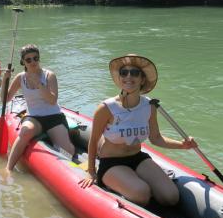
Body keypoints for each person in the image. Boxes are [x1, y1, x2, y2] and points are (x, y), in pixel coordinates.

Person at [79, 54, 198, 207]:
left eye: (134, 73)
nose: (129, 76)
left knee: (171, 196)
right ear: (120, 77)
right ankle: (115, 185)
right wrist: (91, 171)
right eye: (124, 72)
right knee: (142, 193)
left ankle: (137, 183)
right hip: (111, 162)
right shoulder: (106, 108)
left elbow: (156, 138)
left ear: (142, 79)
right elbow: (93, 140)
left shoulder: (149, 106)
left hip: (137, 157)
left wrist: (182, 145)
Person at [3, 44, 75, 171]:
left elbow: (52, 101)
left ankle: (60, 147)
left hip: (54, 117)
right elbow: (5, 99)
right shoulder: (20, 78)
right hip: (34, 117)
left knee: (67, 151)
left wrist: (39, 83)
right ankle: (8, 168)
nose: (33, 62)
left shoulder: (49, 75)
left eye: (35, 58)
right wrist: (5, 80)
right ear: (23, 62)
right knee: (25, 132)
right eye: (28, 60)